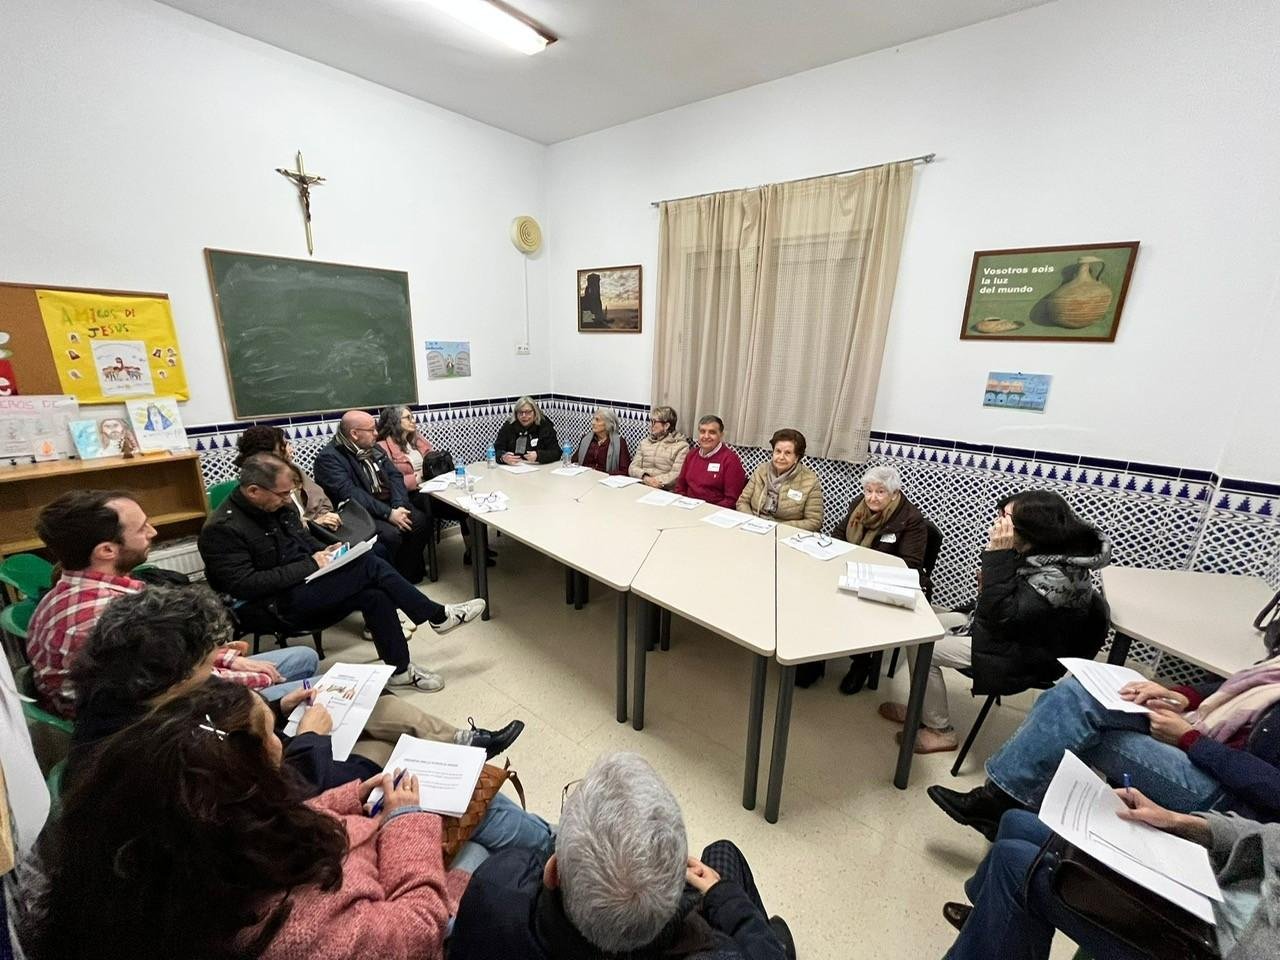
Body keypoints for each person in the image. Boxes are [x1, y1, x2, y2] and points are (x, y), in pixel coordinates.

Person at [27, 682, 471, 960]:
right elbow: (419, 930)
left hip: (351, 872)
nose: (282, 743)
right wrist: (407, 821)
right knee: (496, 845)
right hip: (409, 907)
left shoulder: (147, 860)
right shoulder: (292, 928)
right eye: (272, 733)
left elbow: (265, 822)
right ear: (245, 774)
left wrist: (349, 798)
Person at [65, 586, 526, 792]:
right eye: (209, 664)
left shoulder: (150, 699)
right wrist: (310, 736)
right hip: (293, 780)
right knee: (387, 750)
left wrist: (279, 703)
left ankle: (466, 744)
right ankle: (455, 763)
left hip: (282, 745)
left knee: (374, 707)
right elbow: (280, 791)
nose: (217, 672)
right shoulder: (153, 755)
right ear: (172, 674)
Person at [449, 751, 795, 960]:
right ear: (677, 893)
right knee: (723, 852)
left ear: (553, 871)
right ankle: (770, 935)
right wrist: (733, 906)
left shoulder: (494, 892)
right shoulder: (717, 950)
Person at [199, 453, 486, 692]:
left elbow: (303, 541)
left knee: (374, 592)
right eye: (283, 493)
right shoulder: (222, 530)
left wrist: (331, 551)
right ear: (253, 491)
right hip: (271, 606)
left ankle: (399, 670)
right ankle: (437, 616)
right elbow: (245, 585)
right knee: (369, 565)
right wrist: (312, 564)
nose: (289, 500)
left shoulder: (277, 507)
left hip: (303, 586)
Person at [25, 489, 315, 717]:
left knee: (303, 657)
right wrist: (262, 681)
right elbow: (183, 687)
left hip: (167, 684)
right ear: (107, 550)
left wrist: (229, 659)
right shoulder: (104, 620)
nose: (152, 532)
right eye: (141, 529)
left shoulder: (71, 589)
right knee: (327, 690)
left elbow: (175, 662)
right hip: (156, 721)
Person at [927, 656, 1280, 840]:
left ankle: (1003, 805)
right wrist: (1177, 694)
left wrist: (1190, 739)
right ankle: (1006, 806)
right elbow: (1230, 686)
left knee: (1078, 726)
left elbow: (1273, 791)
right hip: (1206, 733)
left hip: (1231, 801)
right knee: (1074, 695)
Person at [879, 490, 1111, 754]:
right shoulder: (1041, 550)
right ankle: (922, 704)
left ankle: (940, 730)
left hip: (1024, 653)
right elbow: (1000, 609)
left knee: (925, 647)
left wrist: (997, 561)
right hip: (1001, 630)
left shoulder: (1059, 575)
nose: (999, 522)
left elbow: (1003, 620)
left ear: (1033, 527)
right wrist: (991, 581)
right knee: (919, 626)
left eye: (1006, 518)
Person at [942, 797, 1280, 960]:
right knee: (1020, 823)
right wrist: (1179, 822)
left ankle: (993, 924)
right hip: (1206, 887)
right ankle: (989, 924)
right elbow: (1267, 834)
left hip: (1211, 945)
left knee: (1015, 865)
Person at [799, 465, 932, 692]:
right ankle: (814, 656)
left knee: (855, 607)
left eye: (880, 492)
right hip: (850, 570)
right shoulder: (857, 506)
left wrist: (865, 567)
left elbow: (910, 563)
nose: (872, 497)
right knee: (814, 593)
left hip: (883, 580)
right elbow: (839, 535)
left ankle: (862, 663)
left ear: (894, 494)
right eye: (868, 490)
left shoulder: (911, 519)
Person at [313, 410, 432, 583]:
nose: (377, 433)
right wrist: (388, 514)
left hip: (386, 502)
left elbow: (394, 475)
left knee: (420, 521)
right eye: (371, 430)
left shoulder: (372, 447)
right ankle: (389, 581)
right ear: (354, 434)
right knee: (391, 535)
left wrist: (399, 506)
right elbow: (350, 494)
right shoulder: (329, 458)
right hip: (356, 513)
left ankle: (406, 577)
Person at [374, 405, 493, 568]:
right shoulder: (382, 447)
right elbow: (388, 481)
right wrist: (416, 479)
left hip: (433, 488)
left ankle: (474, 551)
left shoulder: (416, 439)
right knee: (452, 508)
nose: (413, 420)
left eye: (412, 416)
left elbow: (434, 461)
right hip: (410, 495)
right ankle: (475, 551)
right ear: (395, 421)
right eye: (408, 418)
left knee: (466, 503)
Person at [235, 425, 339, 531]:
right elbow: (285, 532)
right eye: (284, 446)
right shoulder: (262, 492)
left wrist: (327, 518)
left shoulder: (293, 471)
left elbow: (320, 501)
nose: (291, 450)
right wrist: (314, 524)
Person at [736, 428, 823, 531]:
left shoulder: (810, 481)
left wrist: (777, 528)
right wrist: (752, 521)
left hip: (784, 533)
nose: (781, 457)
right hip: (753, 525)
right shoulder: (761, 470)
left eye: (787, 453)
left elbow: (814, 521)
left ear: (796, 458)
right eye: (778, 451)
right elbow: (742, 502)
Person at [673, 415, 748, 508]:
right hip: (687, 507)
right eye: (702, 431)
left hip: (714, 511)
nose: (706, 436)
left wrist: (707, 510)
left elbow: (732, 499)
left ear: (721, 435)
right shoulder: (692, 455)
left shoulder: (730, 460)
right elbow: (680, 486)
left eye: (712, 432)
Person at [629, 405, 689, 489]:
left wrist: (654, 481)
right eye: (651, 421)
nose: (651, 425)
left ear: (666, 426)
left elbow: (676, 475)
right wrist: (645, 478)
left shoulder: (681, 446)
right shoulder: (645, 442)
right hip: (642, 484)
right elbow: (632, 467)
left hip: (664, 490)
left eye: (654, 422)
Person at [494, 395, 561, 465]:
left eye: (528, 412)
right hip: (514, 467)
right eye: (520, 412)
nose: (524, 416)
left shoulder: (544, 425)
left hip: (538, 467)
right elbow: (496, 450)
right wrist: (503, 457)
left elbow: (556, 452)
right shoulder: (509, 426)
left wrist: (539, 455)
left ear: (535, 412)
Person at [573, 407, 631, 475]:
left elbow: (625, 470)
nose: (593, 423)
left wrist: (603, 475)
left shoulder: (619, 443)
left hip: (606, 479)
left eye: (597, 420)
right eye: (593, 419)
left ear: (608, 423)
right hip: (585, 477)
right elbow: (574, 461)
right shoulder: (586, 439)